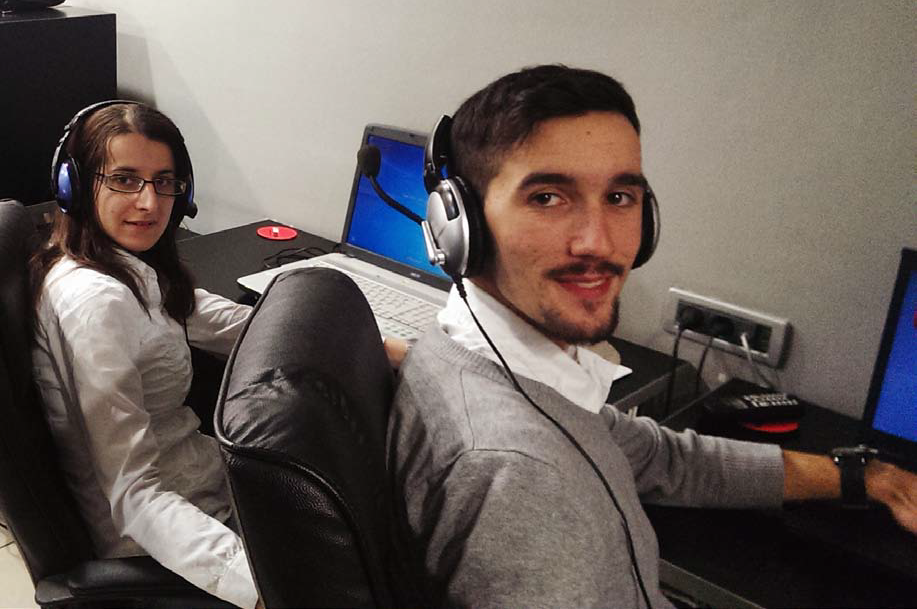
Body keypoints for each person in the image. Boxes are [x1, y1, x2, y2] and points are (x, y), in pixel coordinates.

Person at [387, 65, 917, 608]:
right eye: (547, 197)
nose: (599, 243)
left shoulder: (475, 356)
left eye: (620, 197)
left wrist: (869, 478)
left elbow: (661, 459)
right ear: (459, 225)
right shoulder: (523, 475)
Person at [29, 101, 410, 608]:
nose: (150, 202)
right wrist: (265, 590)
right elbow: (133, 498)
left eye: (164, 181)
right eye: (124, 179)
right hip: (169, 540)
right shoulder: (97, 305)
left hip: (204, 485)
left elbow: (228, 321)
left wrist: (379, 347)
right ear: (74, 187)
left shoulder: (127, 270)